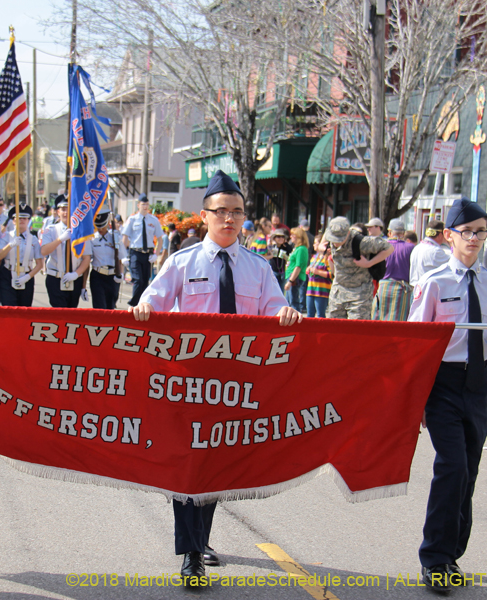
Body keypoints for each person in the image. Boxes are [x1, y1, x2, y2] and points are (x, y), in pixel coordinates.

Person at [129, 169, 302, 587]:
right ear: (204, 216)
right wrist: (144, 309)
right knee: (186, 465)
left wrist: (286, 315)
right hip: (187, 383)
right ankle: (190, 553)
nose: (229, 219)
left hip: (235, 388)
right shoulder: (182, 262)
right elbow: (150, 302)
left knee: (215, 466)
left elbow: (275, 310)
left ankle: (198, 539)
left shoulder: (259, 269)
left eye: (237, 212)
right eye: (221, 212)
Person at [409, 198, 487, 594]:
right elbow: (417, 343)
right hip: (442, 383)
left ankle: (451, 553)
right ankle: (434, 558)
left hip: (477, 383)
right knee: (451, 465)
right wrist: (415, 398)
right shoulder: (435, 282)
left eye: (480, 232)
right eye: (466, 232)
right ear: (449, 235)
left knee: (468, 468)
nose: (474, 239)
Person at [324, 216, 393, 319]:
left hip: (359, 294)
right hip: (338, 291)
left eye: (339, 239)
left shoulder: (362, 242)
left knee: (357, 329)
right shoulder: (332, 239)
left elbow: (389, 248)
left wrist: (369, 263)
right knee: (333, 329)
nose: (335, 242)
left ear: (348, 233)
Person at [41, 194, 92, 307]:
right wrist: (60, 239)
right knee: (59, 315)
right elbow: (44, 251)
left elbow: (86, 258)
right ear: (58, 212)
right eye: (63, 209)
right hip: (55, 278)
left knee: (71, 316)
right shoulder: (51, 230)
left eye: (68, 209)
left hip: (74, 278)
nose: (65, 213)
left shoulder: (82, 232)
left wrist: (76, 274)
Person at [0, 204, 43, 307]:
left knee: (24, 310)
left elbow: (39, 264)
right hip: (8, 274)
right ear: (13, 220)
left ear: (28, 220)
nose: (22, 220)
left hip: (26, 275)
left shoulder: (33, 239)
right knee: (9, 309)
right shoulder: (6, 236)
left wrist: (27, 277)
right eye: (19, 218)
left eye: (24, 218)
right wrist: (10, 245)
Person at [121, 194, 163, 306]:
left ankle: (142, 304)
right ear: (138, 205)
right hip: (135, 253)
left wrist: (156, 254)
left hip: (147, 254)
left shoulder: (153, 220)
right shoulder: (132, 219)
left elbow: (160, 238)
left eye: (147, 204)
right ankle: (133, 304)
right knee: (137, 280)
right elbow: (124, 238)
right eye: (143, 204)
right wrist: (123, 255)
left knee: (145, 281)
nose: (145, 207)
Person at [374, 218, 415, 321]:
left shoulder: (380, 246)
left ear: (389, 232)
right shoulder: (411, 248)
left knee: (380, 320)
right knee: (399, 323)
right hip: (403, 289)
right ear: (404, 233)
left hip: (383, 287)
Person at [88, 207, 124, 309]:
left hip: (112, 276)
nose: (100, 229)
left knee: (110, 308)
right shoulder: (92, 238)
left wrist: (121, 273)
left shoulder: (115, 236)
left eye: (103, 226)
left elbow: (120, 257)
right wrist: (83, 287)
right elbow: (87, 260)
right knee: (99, 308)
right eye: (98, 226)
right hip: (98, 276)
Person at [410, 219, 451, 287]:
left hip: (415, 289)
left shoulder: (417, 247)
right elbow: (454, 262)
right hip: (427, 290)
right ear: (441, 234)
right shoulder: (435, 251)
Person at [283, 227, 310, 311]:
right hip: (291, 276)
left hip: (295, 278)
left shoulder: (301, 249)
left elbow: (298, 266)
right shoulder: (297, 248)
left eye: (293, 235)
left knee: (293, 302)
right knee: (289, 302)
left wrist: (290, 281)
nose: (291, 237)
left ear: (298, 236)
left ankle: (296, 322)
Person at [305, 234, 332, 318]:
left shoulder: (327, 258)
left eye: (315, 243)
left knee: (320, 315)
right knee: (309, 314)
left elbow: (331, 274)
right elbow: (308, 271)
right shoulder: (314, 257)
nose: (314, 245)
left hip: (321, 290)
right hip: (311, 289)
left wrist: (318, 272)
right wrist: (309, 270)